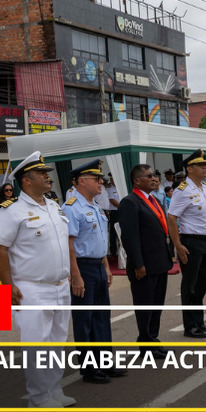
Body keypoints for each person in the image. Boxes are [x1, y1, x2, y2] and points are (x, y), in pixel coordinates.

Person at [0, 151, 74, 408]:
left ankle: (54, 391)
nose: (48, 178)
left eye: (47, 173)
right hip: (32, 288)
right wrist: (8, 286)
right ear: (26, 180)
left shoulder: (53, 205)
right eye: (42, 174)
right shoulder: (12, 211)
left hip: (60, 285)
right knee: (38, 346)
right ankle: (39, 399)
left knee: (57, 344)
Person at [63, 159, 127, 383]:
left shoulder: (94, 205)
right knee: (85, 319)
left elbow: (100, 240)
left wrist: (107, 266)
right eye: (96, 178)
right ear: (82, 181)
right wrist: (75, 275)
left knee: (101, 316)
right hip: (83, 268)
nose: (101, 182)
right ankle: (89, 369)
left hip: (98, 266)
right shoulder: (71, 207)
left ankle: (105, 363)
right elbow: (69, 244)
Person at [118, 164, 174, 358]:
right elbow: (130, 237)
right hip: (145, 265)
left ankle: (153, 338)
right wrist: (138, 263)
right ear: (137, 180)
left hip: (159, 261)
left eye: (155, 175)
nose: (154, 178)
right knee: (145, 305)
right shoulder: (130, 202)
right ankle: (145, 343)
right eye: (149, 176)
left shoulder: (153, 199)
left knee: (156, 304)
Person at [167, 149, 206, 339]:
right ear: (189, 168)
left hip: (205, 242)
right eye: (201, 165)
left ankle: (199, 322)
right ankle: (190, 326)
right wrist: (177, 245)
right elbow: (172, 218)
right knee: (190, 285)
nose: (205, 168)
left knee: (203, 283)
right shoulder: (183, 191)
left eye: (205, 165)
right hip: (191, 242)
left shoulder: (204, 188)